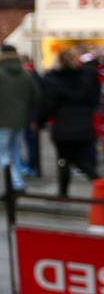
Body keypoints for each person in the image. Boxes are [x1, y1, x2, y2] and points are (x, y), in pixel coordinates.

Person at [0, 44, 40, 195]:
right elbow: (36, 97)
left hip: (1, 119)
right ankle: (16, 182)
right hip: (20, 120)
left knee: (3, 154)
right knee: (15, 152)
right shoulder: (26, 73)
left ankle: (15, 184)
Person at [40, 49, 101, 197]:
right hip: (84, 122)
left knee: (65, 159)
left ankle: (66, 190)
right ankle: (94, 181)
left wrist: (41, 120)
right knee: (81, 157)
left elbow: (49, 104)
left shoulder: (54, 79)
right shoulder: (86, 77)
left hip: (63, 125)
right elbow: (94, 98)